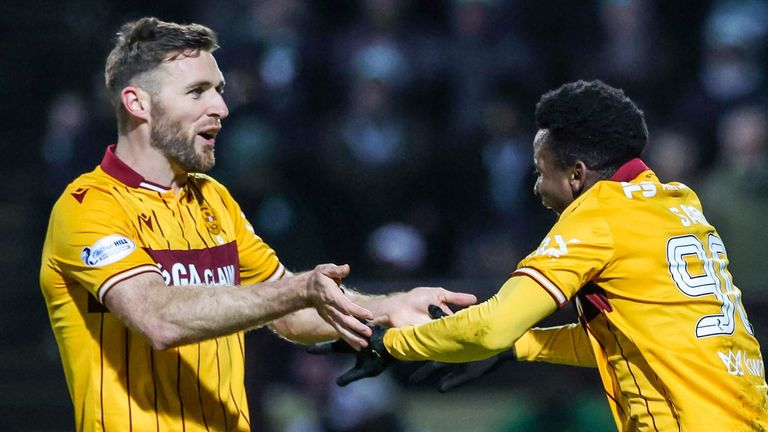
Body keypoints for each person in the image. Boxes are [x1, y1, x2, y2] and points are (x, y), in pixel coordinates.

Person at [39, 17, 476, 432]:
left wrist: (389, 309)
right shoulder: (88, 207)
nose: (222, 107)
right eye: (197, 92)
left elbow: (292, 315)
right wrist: (297, 288)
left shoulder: (213, 198)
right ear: (138, 103)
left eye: (220, 90)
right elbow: (158, 319)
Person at [321, 80, 768, 431]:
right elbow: (636, 341)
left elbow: (493, 325)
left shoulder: (600, 215)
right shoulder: (676, 203)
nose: (536, 188)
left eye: (541, 172)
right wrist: (524, 346)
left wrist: (391, 343)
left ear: (577, 175)